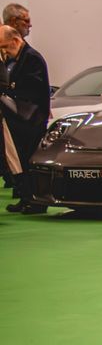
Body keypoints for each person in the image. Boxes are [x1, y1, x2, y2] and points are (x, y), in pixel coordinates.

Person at [0, 23, 50, 213]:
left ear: (15, 40)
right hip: (22, 118)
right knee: (22, 160)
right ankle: (27, 198)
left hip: (32, 118)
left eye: (5, 46)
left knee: (30, 160)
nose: (4, 51)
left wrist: (11, 90)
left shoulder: (31, 58)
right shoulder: (19, 58)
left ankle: (36, 201)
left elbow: (32, 89)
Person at [1, 3, 31, 190]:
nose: (30, 25)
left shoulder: (27, 55)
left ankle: (19, 185)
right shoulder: (22, 55)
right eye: (26, 21)